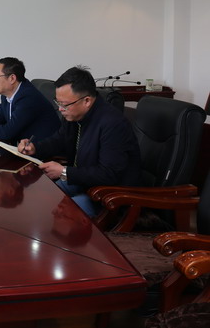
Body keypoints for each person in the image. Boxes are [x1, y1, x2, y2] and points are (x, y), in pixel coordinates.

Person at [18, 66, 141, 217]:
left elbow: (109, 173)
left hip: (109, 195)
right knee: (43, 196)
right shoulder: (74, 114)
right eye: (58, 102)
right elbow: (59, 140)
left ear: (87, 101)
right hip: (82, 181)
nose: (60, 109)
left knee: (61, 210)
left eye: (64, 104)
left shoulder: (112, 123)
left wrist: (64, 171)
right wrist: (35, 148)